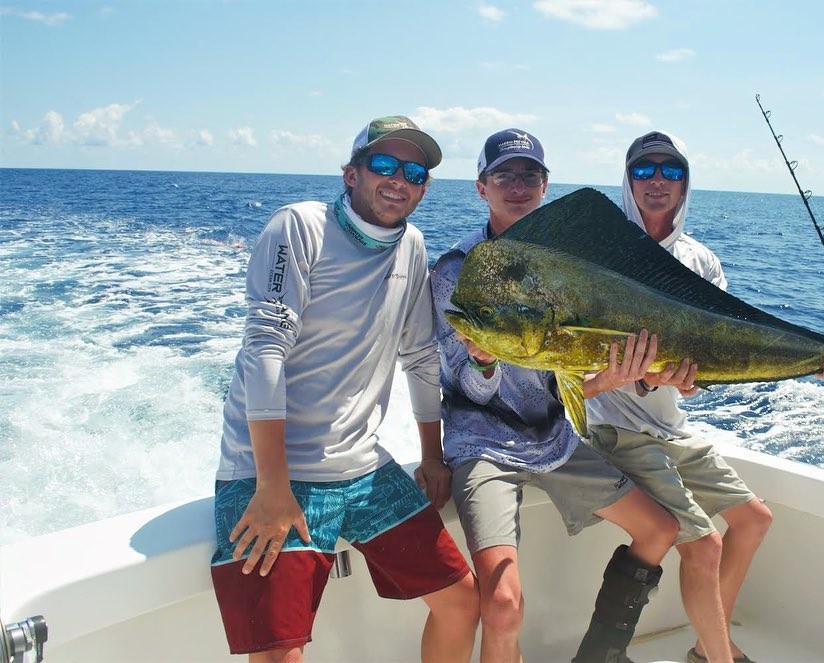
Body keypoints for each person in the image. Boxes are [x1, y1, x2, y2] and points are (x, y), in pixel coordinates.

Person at [210, 115, 480, 663]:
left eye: (415, 171)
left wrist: (432, 456)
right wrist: (272, 485)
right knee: (280, 650)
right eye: (384, 164)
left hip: (362, 469)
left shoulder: (413, 248)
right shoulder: (299, 226)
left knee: (462, 602)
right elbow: (265, 350)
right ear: (350, 174)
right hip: (271, 474)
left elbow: (421, 357)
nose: (399, 179)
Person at [584, 130, 824, 663]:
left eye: (670, 170)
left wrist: (820, 362)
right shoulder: (603, 256)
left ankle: (710, 647)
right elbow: (580, 355)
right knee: (704, 545)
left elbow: (713, 359)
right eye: (644, 171)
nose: (657, 181)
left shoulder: (700, 261)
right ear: (627, 180)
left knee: (755, 519)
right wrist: (651, 375)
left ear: (686, 182)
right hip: (616, 428)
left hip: (671, 427)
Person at [430, 128, 680, 663]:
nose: (517, 186)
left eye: (530, 175)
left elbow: (564, 381)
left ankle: (599, 656)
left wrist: (612, 379)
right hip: (484, 446)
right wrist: (484, 360)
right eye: (504, 174)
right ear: (481, 186)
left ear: (545, 186)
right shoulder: (456, 270)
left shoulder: (567, 270)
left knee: (661, 528)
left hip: (554, 440)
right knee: (502, 605)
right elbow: (462, 385)